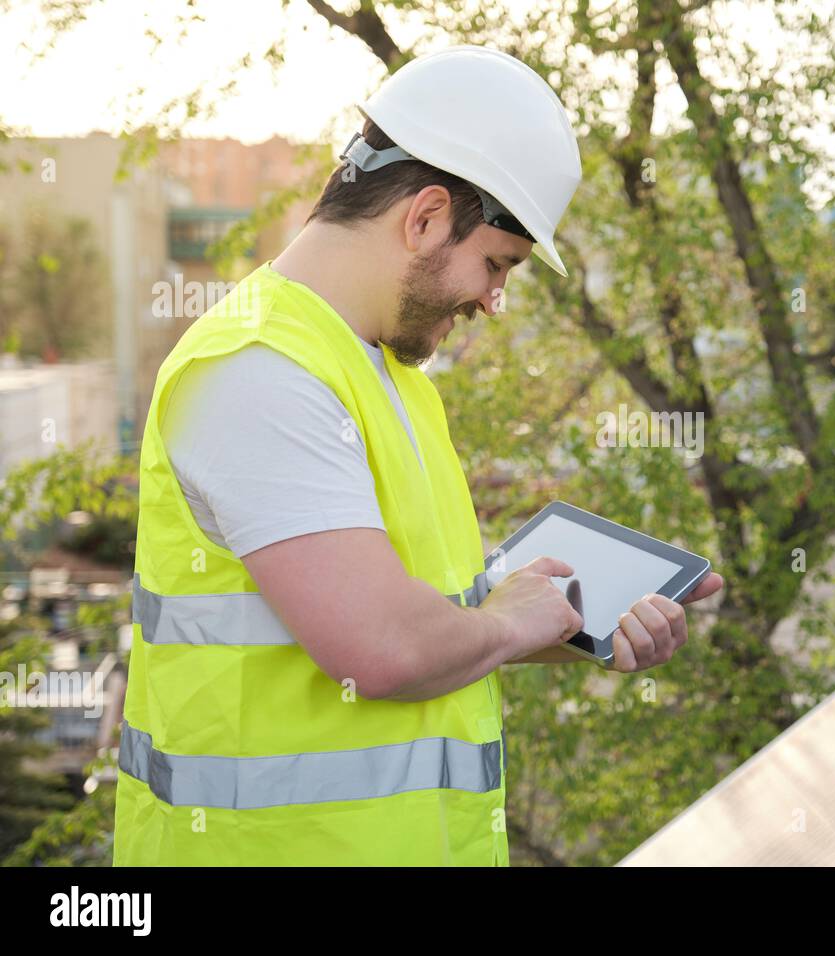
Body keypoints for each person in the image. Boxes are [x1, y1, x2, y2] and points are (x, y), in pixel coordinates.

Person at [113, 45, 723, 866]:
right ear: (428, 216)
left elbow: (444, 622)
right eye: (497, 265)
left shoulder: (390, 379)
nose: (494, 301)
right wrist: (509, 621)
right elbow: (384, 648)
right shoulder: (258, 369)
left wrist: (573, 623)